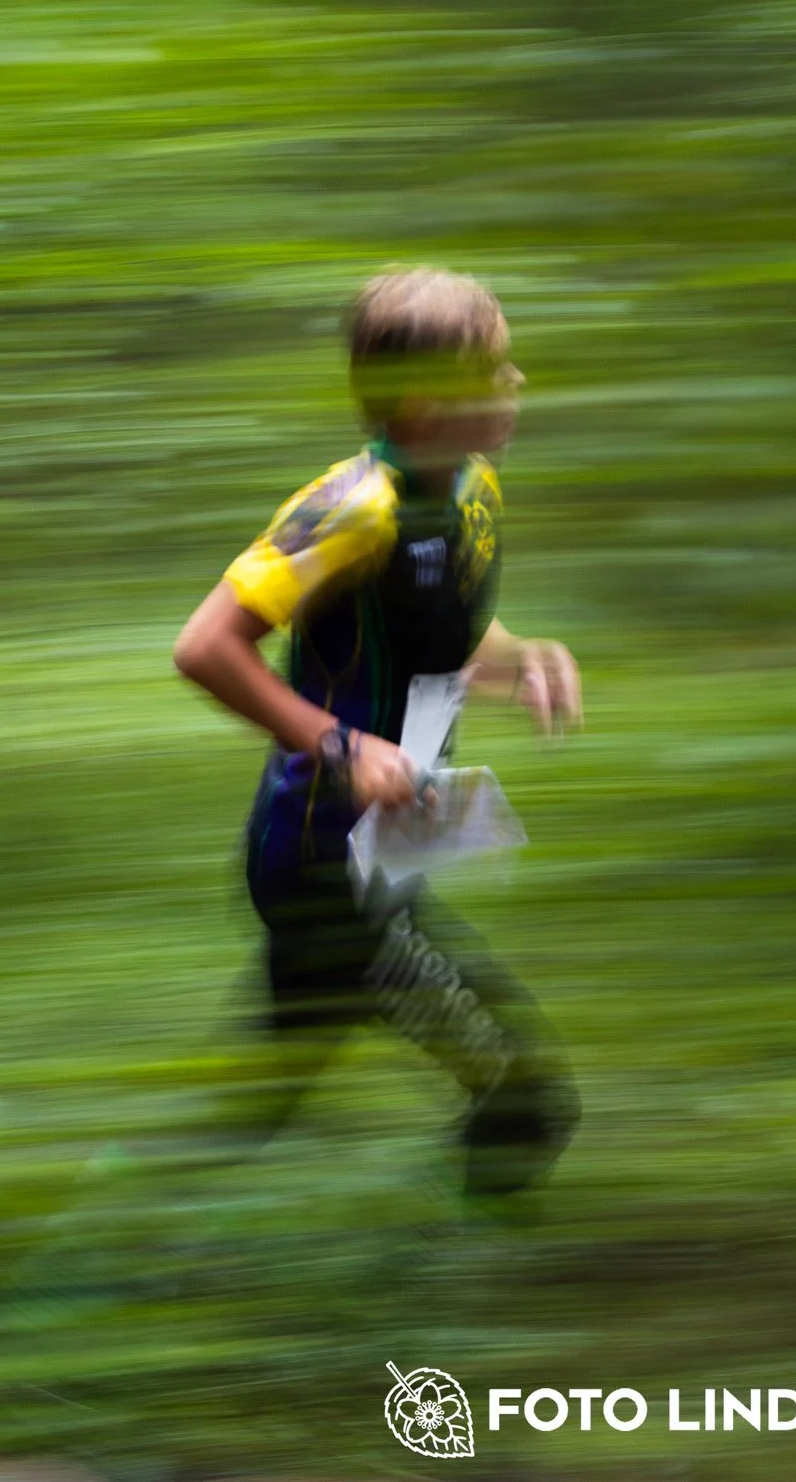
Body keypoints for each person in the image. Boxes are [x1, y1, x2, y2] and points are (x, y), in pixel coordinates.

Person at [171, 267, 582, 1202]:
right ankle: (425, 1295)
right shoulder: (353, 509)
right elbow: (205, 647)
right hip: (325, 867)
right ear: (431, 400)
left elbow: (436, 638)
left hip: (376, 858)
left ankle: (82, 1277)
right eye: (495, 370)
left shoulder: (471, 492)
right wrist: (341, 747)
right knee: (526, 1102)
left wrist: (521, 660)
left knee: (251, 1112)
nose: (516, 385)